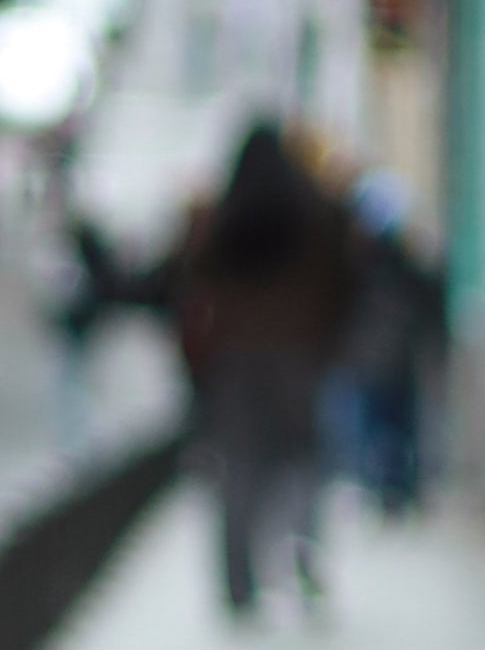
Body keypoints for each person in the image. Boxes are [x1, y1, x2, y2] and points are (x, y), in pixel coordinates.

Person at [174, 116, 353, 619]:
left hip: (239, 361)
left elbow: (191, 276)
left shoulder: (225, 218)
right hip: (300, 356)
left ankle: (238, 581)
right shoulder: (317, 212)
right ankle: (300, 545)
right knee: (300, 460)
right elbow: (346, 279)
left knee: (241, 468)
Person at [334, 165, 448, 512]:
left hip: (378, 358)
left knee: (382, 426)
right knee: (391, 426)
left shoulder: (364, 262)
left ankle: (389, 489)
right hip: (388, 358)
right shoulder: (389, 261)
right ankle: (393, 489)